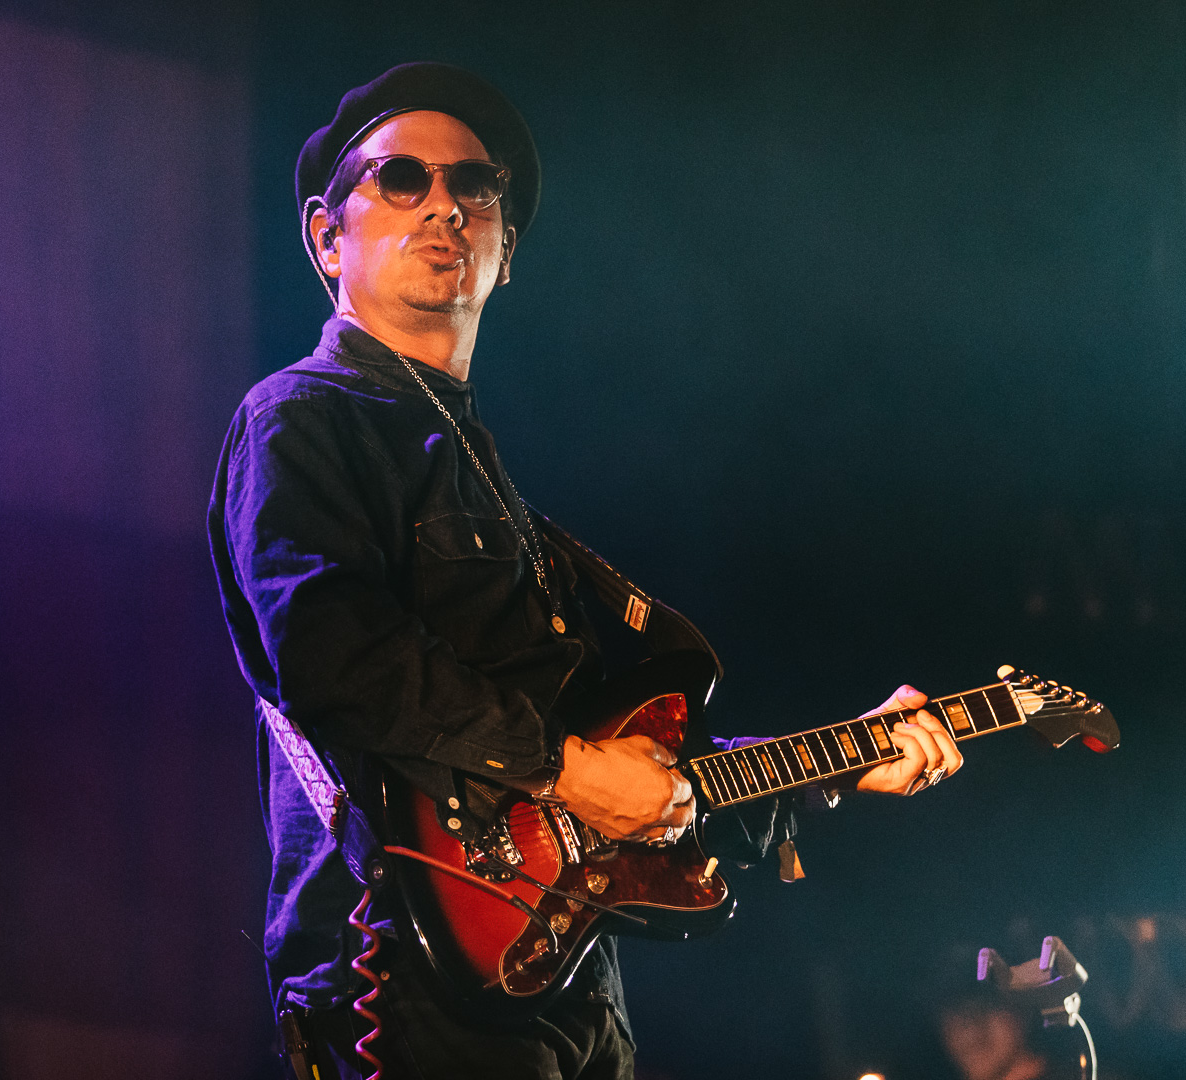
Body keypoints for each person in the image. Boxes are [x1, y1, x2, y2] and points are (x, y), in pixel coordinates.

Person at [208, 62, 965, 1080]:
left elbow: (634, 780)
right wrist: (566, 769)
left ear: (506, 253)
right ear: (325, 236)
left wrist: (843, 763)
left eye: (476, 186)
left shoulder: (504, 498)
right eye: (401, 178)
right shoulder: (302, 418)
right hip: (402, 974)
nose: (444, 205)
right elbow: (335, 656)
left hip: (568, 986)